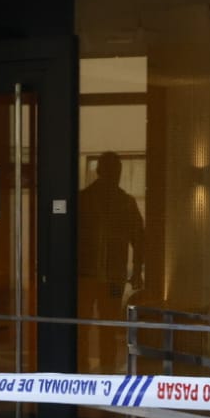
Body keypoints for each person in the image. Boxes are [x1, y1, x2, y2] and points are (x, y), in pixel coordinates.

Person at [77, 151, 145, 371]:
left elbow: (139, 239)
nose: (115, 174)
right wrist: (136, 271)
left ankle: (97, 368)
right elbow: (140, 240)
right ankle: (94, 368)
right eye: (112, 170)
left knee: (98, 327)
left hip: (102, 277)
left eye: (116, 170)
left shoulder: (120, 203)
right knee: (92, 327)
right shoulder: (86, 200)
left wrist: (136, 271)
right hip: (90, 276)